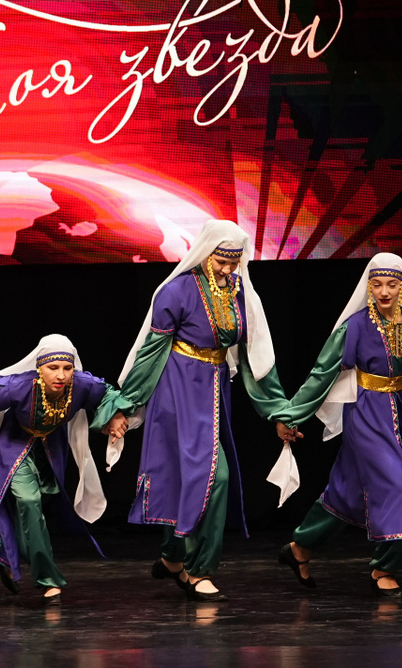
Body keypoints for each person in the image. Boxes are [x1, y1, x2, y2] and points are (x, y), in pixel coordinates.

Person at [104, 219, 296, 601]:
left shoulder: (240, 293)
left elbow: (256, 357)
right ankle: (198, 569)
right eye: (221, 261)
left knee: (195, 477)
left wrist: (278, 412)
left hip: (213, 390)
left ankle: (174, 557)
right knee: (210, 476)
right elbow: (150, 354)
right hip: (176, 392)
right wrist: (124, 405)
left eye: (234, 262)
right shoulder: (175, 292)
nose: (227, 269)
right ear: (206, 253)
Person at [274, 253, 402, 594]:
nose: (384, 292)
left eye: (391, 285)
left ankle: (300, 548)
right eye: (377, 284)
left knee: (347, 491)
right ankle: (385, 567)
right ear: (369, 287)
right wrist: (290, 415)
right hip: (366, 411)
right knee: (399, 485)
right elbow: (322, 374)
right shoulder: (355, 326)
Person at [0, 334, 124, 602]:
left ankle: (6, 549)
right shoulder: (20, 385)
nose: (61, 375)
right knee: (29, 501)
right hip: (14, 446)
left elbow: (108, 393)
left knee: (41, 505)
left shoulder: (80, 385)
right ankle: (48, 579)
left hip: (50, 448)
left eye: (67, 368)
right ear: (39, 367)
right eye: (53, 367)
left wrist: (116, 414)